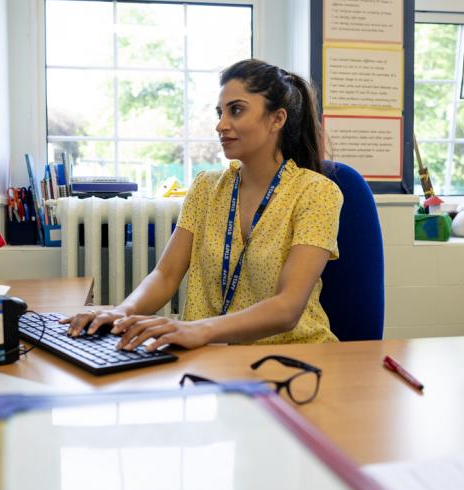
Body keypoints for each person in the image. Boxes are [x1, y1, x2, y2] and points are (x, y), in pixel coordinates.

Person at [61, 59, 343, 351]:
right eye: (220, 113)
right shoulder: (206, 188)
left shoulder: (316, 193)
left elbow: (288, 308)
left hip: (291, 357)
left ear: (277, 119)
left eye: (236, 110)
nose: (221, 125)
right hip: (210, 356)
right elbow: (166, 274)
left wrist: (200, 329)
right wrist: (122, 312)